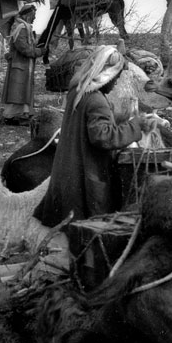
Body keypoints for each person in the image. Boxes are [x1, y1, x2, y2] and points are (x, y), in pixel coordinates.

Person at [34, 45, 144, 227]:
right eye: (115, 78)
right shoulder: (96, 100)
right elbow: (102, 137)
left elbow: (89, 125)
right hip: (85, 177)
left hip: (68, 173)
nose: (116, 83)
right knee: (88, 229)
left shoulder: (78, 91)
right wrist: (136, 126)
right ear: (106, 75)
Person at [1, 3, 43, 125]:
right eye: (33, 15)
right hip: (20, 65)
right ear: (28, 15)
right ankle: (11, 117)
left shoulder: (22, 27)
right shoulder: (22, 28)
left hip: (21, 65)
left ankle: (23, 115)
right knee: (17, 91)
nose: (35, 17)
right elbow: (24, 48)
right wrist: (39, 52)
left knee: (21, 91)